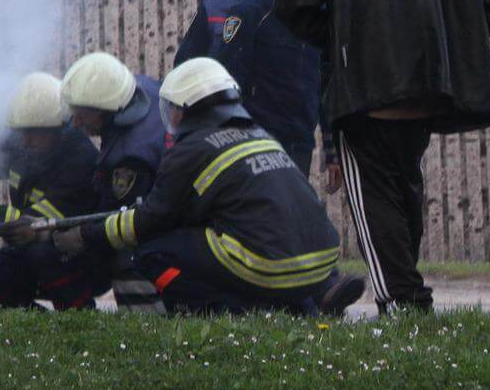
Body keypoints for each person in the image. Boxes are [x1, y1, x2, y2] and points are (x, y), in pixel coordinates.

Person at [270, 0, 490, 313]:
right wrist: (456, 36)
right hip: (425, 93)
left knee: (374, 201)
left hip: (367, 95)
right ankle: (410, 295)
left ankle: (400, 301)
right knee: (405, 191)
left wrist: (330, 34)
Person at [55, 58, 364, 316]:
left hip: (269, 263)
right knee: (211, 243)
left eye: (173, 107)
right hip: (321, 256)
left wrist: (85, 235)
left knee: (153, 250)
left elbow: (151, 219)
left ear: (186, 109)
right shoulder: (258, 133)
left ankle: (229, 310)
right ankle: (309, 303)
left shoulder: (191, 150)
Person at [0, 73, 102, 310]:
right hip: (29, 250)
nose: (25, 141)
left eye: (34, 132)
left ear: (58, 129)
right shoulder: (21, 144)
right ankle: (32, 317)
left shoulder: (79, 159)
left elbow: (35, 225)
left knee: (41, 252)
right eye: (21, 131)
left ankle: (78, 312)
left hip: (77, 257)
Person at [182, 0, 325, 175]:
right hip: (253, 139)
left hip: (299, 142)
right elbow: (226, 77)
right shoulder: (247, 14)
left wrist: (331, 149)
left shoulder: (319, 18)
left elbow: (325, 82)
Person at [61, 51, 166, 212]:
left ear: (108, 111)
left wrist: (82, 234)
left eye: (82, 115)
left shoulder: (130, 158)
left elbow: (119, 216)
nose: (75, 123)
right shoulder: (135, 87)